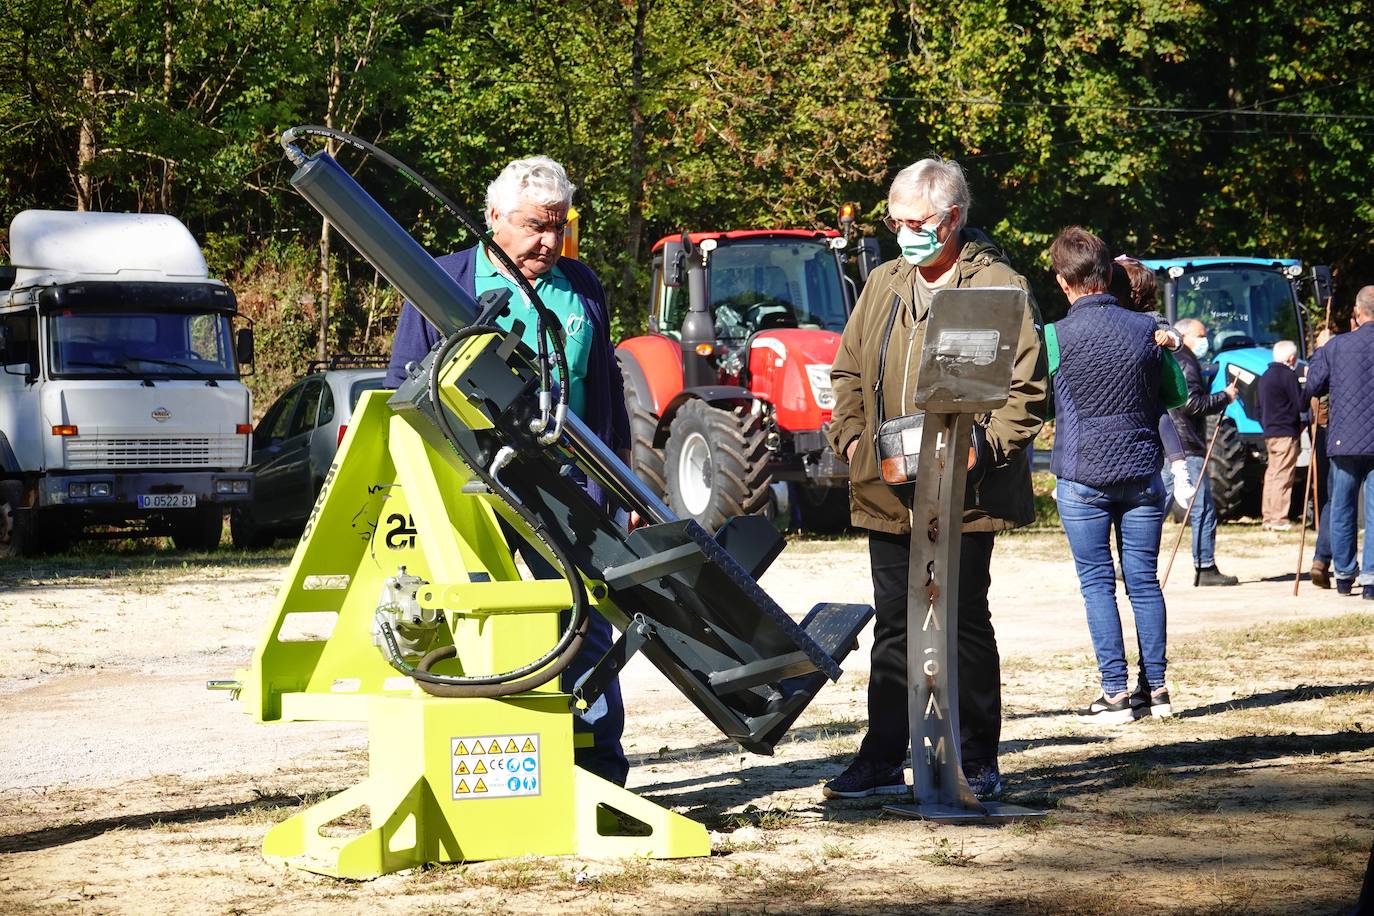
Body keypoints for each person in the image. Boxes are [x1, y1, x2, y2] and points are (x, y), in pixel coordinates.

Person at [384, 156, 633, 784]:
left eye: (558, 226)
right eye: (532, 226)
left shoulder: (582, 286)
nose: (547, 241)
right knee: (474, 620)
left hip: (570, 484)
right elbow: (401, 384)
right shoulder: (443, 280)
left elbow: (603, 385)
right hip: (468, 490)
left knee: (586, 623)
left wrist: (620, 480)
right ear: (493, 218)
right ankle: (483, 764)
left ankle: (596, 765)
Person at [824, 157, 1046, 800]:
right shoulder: (884, 282)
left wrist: (990, 448)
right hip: (885, 484)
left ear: (951, 220)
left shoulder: (998, 284)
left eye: (915, 222)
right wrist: (854, 440)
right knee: (896, 623)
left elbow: (1025, 388)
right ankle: (882, 756)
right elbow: (846, 373)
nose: (902, 234)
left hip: (967, 490)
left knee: (962, 620)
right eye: (894, 222)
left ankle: (976, 757)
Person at [1044, 227, 1187, 723]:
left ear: (1064, 282)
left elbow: (1038, 401)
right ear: (1108, 274)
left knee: (1098, 584)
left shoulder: (1054, 337)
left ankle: (1115, 693)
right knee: (1144, 583)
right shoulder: (1148, 332)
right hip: (1144, 471)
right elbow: (1177, 396)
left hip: (1082, 476)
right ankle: (1159, 690)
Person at [1303, 286, 1374, 599]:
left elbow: (1312, 387)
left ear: (1357, 313)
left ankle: (1344, 575)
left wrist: (1320, 352)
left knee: (1341, 508)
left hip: (1344, 439)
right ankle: (1371, 579)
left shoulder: (1337, 346)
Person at [1165, 318, 1241, 586]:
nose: (1204, 341)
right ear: (1184, 335)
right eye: (1201, 335)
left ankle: (1128, 563)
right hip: (1186, 444)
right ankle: (1205, 566)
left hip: (1172, 441)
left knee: (1154, 506)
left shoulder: (1175, 358)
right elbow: (1191, 404)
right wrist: (1225, 397)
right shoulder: (1185, 361)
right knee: (1203, 508)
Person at [1257, 340, 1303, 531]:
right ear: (1291, 358)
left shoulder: (1264, 376)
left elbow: (1257, 409)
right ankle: (1278, 518)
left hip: (1269, 432)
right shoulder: (1288, 376)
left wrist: (1266, 424)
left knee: (1272, 474)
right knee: (1283, 476)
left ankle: (1268, 516)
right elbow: (1300, 403)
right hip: (1285, 431)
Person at [1309, 326, 1336, 588]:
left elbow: (1312, 389)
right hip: (1335, 432)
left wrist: (1320, 352)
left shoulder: (1326, 355)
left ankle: (1323, 558)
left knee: (1333, 498)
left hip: (1331, 433)